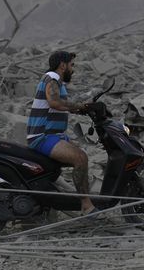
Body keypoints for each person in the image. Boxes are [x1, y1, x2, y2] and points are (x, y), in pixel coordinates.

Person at [26, 50, 96, 215]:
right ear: (63, 65)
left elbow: (62, 105)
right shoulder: (52, 78)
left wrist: (83, 110)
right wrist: (80, 106)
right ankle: (86, 205)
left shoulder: (56, 81)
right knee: (80, 158)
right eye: (72, 65)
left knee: (80, 155)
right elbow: (55, 102)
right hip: (42, 137)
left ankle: (70, 196)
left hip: (54, 135)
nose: (73, 69)